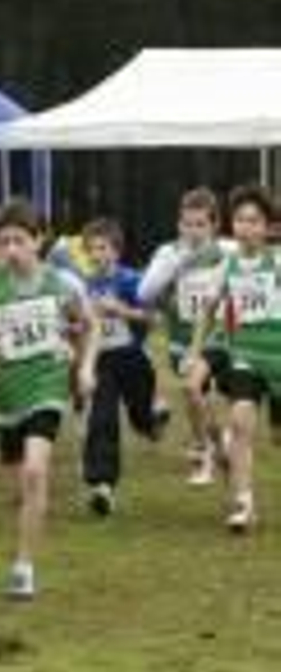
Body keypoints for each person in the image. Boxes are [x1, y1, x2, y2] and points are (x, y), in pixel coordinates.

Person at [0, 199, 96, 601]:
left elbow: (92, 325)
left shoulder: (63, 284)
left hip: (48, 388)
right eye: (4, 243)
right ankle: (26, 544)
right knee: (22, 488)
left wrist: (86, 367)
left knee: (37, 472)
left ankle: (23, 568)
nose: (11, 250)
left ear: (38, 241)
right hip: (5, 397)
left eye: (19, 241)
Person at [188, 185, 281, 532]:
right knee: (241, 422)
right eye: (240, 220)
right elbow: (208, 311)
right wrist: (196, 352)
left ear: (269, 227)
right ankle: (244, 503)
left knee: (276, 437)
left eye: (254, 221)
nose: (245, 227)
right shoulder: (227, 266)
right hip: (247, 357)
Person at [64, 219, 165, 515]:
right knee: (102, 418)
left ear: (117, 250)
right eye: (91, 249)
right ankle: (102, 486)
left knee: (140, 417)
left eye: (103, 248)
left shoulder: (131, 280)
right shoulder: (83, 286)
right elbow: (75, 324)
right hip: (102, 360)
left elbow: (155, 319)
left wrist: (121, 310)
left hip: (132, 358)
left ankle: (151, 421)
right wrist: (74, 327)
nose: (97, 254)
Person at [138, 187, 231, 486]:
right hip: (181, 342)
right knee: (197, 397)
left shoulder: (226, 251)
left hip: (218, 339)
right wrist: (178, 264)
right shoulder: (169, 252)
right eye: (187, 224)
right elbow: (144, 293)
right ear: (179, 224)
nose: (193, 231)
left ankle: (204, 454)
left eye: (200, 224)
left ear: (214, 225)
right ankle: (214, 444)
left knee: (194, 391)